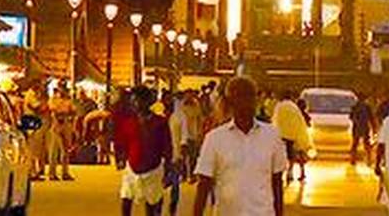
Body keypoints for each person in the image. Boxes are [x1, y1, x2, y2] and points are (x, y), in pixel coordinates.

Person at [193, 77, 287, 216]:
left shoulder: (272, 136)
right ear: (230, 102)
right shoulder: (215, 138)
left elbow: (277, 181)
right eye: (240, 96)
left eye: (250, 96)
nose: (246, 102)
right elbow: (204, 184)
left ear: (256, 100)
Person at [113, 86, 173, 216]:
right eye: (133, 100)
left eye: (137, 100)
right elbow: (122, 142)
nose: (134, 103)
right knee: (125, 200)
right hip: (132, 168)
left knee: (152, 206)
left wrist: (168, 168)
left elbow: (167, 146)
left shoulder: (160, 122)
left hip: (153, 169)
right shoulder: (128, 122)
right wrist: (120, 158)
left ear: (146, 101)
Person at [270, 89, 312, 184]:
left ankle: (282, 174)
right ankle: (292, 172)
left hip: (280, 136)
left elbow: (275, 120)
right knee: (293, 155)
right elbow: (299, 122)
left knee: (280, 156)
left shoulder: (279, 106)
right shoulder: (294, 107)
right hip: (292, 135)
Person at [46, 85, 76, 180]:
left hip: (66, 124)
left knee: (65, 150)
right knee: (54, 150)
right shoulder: (53, 99)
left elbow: (73, 110)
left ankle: (65, 172)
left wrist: (67, 113)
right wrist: (63, 111)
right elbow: (53, 109)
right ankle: (52, 173)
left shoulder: (68, 100)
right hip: (56, 125)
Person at [351, 91, 375, 164]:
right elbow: (371, 118)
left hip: (357, 127)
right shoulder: (367, 107)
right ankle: (369, 159)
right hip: (364, 127)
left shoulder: (355, 106)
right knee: (366, 143)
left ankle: (353, 159)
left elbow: (351, 117)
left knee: (356, 143)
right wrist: (374, 128)